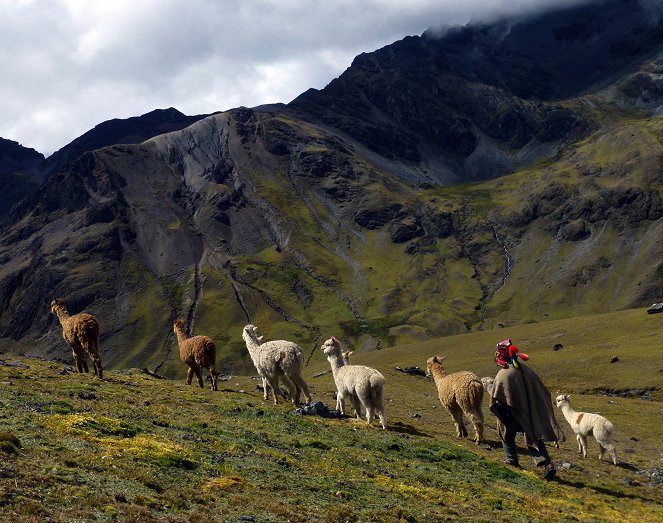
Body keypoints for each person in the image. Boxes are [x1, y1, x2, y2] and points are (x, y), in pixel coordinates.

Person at [489, 339, 564, 480]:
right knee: (533, 435)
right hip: (529, 412)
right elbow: (540, 389)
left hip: (512, 413)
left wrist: (502, 411)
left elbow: (497, 397)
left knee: (505, 431)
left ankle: (511, 459)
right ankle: (548, 464)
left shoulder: (503, 374)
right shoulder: (526, 369)